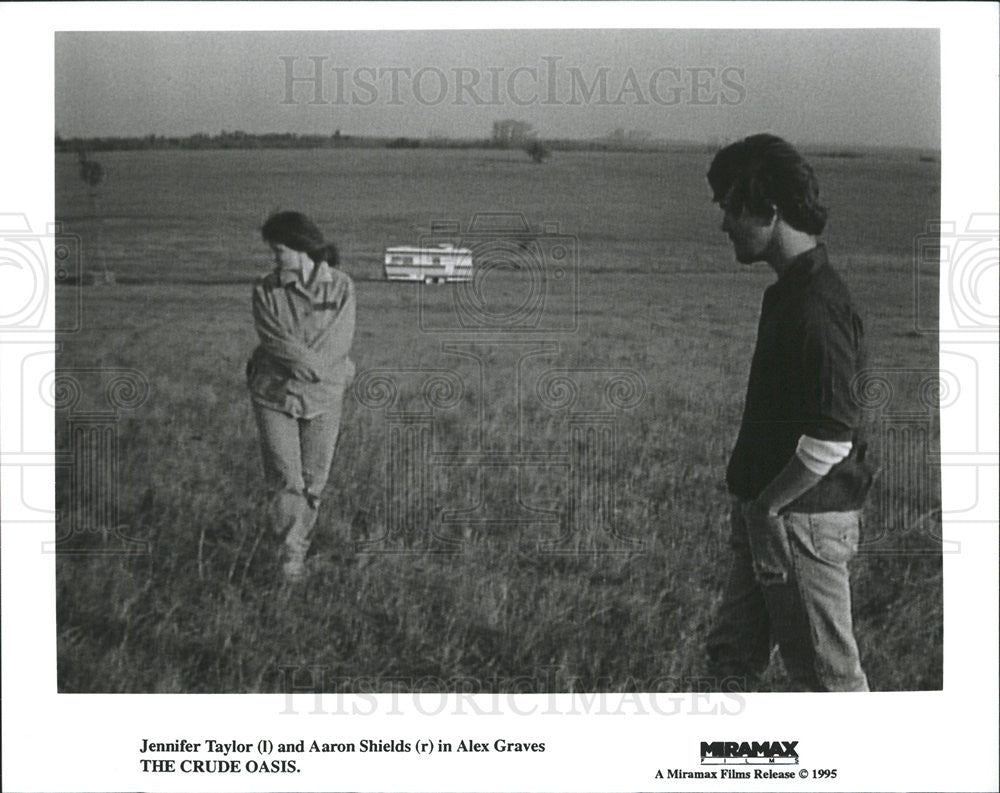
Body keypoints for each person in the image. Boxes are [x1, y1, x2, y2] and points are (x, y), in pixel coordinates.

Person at [705, 134, 874, 691]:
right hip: (773, 514)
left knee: (828, 685)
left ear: (770, 211)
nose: (725, 223)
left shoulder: (815, 304)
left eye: (732, 207)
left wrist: (769, 509)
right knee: (731, 660)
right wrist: (759, 510)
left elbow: (832, 436)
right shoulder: (790, 292)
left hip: (798, 520)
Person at [247, 211, 356, 582]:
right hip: (274, 394)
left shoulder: (341, 286)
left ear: (299, 247)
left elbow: (339, 341)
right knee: (284, 476)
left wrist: (325, 373)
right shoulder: (264, 289)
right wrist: (320, 369)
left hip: (325, 398)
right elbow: (275, 341)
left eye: (279, 250)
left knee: (313, 481)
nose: (275, 258)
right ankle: (289, 561)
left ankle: (301, 546)